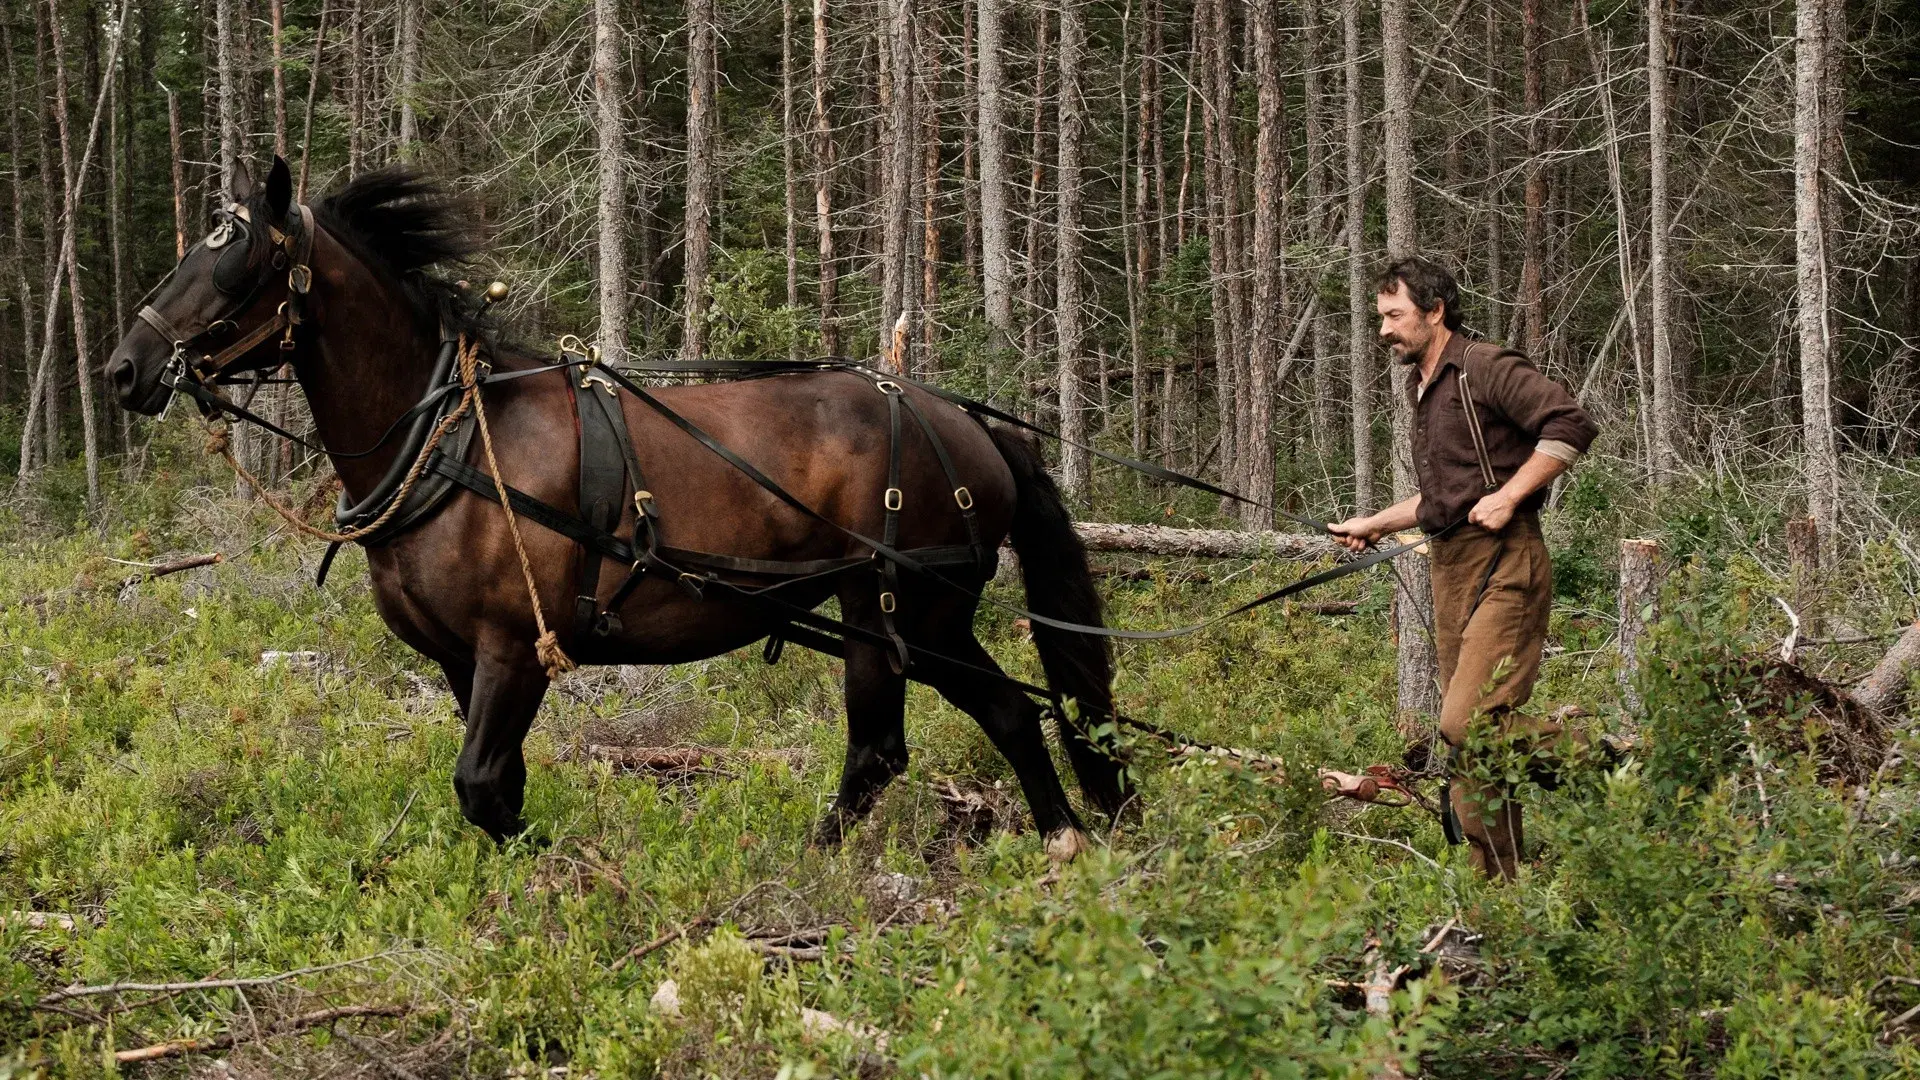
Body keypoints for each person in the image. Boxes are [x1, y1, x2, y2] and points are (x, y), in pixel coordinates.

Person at [1329, 257, 1599, 880]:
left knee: (1465, 721)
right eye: (1381, 318)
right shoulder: (1424, 384)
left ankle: (1593, 750)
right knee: (1469, 742)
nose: (1385, 331)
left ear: (1435, 311)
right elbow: (1447, 498)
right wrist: (1374, 523)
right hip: (1451, 569)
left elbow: (1570, 424)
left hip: (1508, 563)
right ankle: (1498, 887)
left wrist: (1510, 495)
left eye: (1395, 316)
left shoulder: (1485, 365)